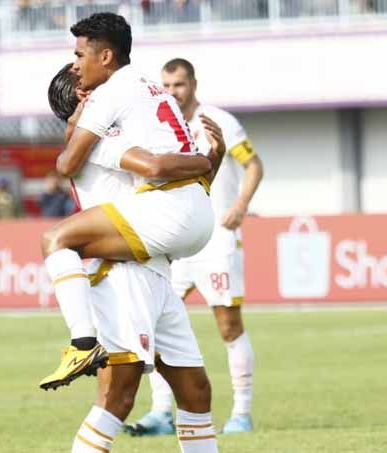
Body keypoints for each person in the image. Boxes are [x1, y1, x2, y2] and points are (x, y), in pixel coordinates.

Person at [38, 15, 228, 393]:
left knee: (193, 395)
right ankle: (82, 343)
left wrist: (209, 160)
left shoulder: (98, 132)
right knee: (116, 399)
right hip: (123, 271)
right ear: (83, 98)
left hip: (147, 260)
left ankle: (83, 343)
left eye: (79, 55)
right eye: (76, 62)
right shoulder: (100, 141)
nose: (79, 63)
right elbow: (155, 166)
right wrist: (204, 160)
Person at [125, 57, 264, 436]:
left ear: (194, 85)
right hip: (174, 243)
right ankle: (160, 412)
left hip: (216, 239)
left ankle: (241, 413)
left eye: (179, 85)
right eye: (166, 86)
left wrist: (240, 206)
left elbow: (253, 165)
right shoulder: (159, 126)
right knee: (152, 324)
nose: (172, 92)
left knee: (228, 325)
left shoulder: (217, 121)